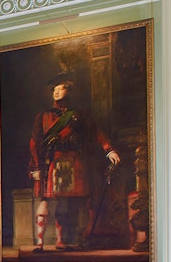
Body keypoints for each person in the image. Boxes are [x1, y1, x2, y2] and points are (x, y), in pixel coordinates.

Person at [28, 73, 120, 251]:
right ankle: (39, 244)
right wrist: (35, 167)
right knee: (45, 200)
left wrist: (109, 150)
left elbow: (97, 133)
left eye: (60, 88)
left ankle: (62, 241)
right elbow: (34, 142)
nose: (56, 92)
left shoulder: (79, 116)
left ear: (68, 90)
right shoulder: (43, 116)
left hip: (74, 162)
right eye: (54, 89)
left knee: (69, 204)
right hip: (51, 162)